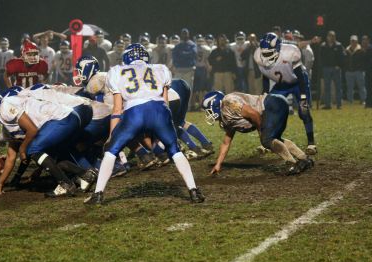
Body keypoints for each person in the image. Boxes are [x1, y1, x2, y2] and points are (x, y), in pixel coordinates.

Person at [84, 44, 205, 205]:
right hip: (159, 110)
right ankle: (194, 191)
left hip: (134, 112)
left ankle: (98, 194)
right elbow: (165, 101)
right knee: (175, 150)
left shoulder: (116, 71)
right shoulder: (160, 69)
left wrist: (113, 135)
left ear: (127, 57)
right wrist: (162, 125)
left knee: (111, 152)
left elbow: (118, 108)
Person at [202, 91, 313, 175]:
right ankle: (304, 158)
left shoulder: (229, 103)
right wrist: (218, 164)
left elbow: (254, 114)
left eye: (209, 111)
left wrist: (261, 132)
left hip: (272, 104)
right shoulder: (226, 116)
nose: (208, 114)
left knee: (267, 140)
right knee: (274, 139)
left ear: (215, 104)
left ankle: (291, 163)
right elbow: (226, 142)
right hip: (274, 104)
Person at [254, 32, 317, 155]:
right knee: (268, 109)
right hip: (282, 84)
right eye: (264, 53)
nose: (266, 57)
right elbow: (265, 76)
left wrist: (303, 97)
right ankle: (269, 141)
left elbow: (299, 75)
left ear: (277, 48)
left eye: (269, 53)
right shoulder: (258, 56)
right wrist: (265, 93)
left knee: (303, 111)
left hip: (298, 82)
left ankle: (311, 143)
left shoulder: (290, 52)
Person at [320, 31, 345, 109]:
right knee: (327, 87)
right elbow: (321, 57)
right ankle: (328, 104)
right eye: (330, 36)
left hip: (336, 68)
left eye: (333, 36)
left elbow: (343, 56)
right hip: (326, 68)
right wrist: (323, 66)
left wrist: (339, 65)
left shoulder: (339, 45)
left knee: (338, 87)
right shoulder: (323, 46)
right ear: (327, 37)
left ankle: (339, 104)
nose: (332, 38)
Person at [344, 35, 367, 104]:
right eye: (352, 41)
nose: (353, 42)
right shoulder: (347, 50)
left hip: (359, 71)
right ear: (350, 41)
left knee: (361, 87)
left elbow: (364, 61)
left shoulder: (361, 50)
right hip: (349, 72)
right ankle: (350, 100)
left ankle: (363, 100)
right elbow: (344, 61)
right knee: (349, 88)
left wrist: (362, 69)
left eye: (354, 41)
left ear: (357, 41)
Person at [192, 34, 211, 109]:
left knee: (200, 89)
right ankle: (195, 104)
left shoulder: (195, 48)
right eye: (198, 40)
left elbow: (207, 60)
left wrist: (208, 70)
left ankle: (199, 104)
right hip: (197, 68)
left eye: (200, 40)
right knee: (196, 89)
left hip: (200, 68)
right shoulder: (206, 49)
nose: (199, 42)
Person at [362, 35, 372, 108]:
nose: (364, 41)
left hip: (370, 70)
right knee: (368, 87)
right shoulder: (363, 49)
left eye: (365, 40)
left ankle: (369, 103)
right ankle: (368, 103)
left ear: (368, 40)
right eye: (363, 40)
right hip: (367, 71)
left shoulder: (370, 48)